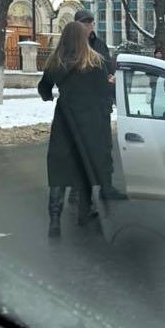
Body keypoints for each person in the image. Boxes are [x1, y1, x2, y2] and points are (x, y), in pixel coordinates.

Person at [38, 22, 113, 238]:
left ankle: (54, 220)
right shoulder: (96, 61)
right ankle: (84, 213)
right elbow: (103, 91)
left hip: (64, 121)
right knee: (83, 165)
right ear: (83, 38)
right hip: (89, 121)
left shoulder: (55, 61)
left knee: (59, 168)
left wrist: (50, 96)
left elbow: (44, 88)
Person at [72, 9, 128, 200]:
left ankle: (107, 187)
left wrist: (112, 80)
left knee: (104, 148)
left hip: (101, 107)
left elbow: (108, 69)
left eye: (90, 23)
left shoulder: (100, 45)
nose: (88, 26)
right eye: (84, 23)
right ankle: (76, 189)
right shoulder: (71, 48)